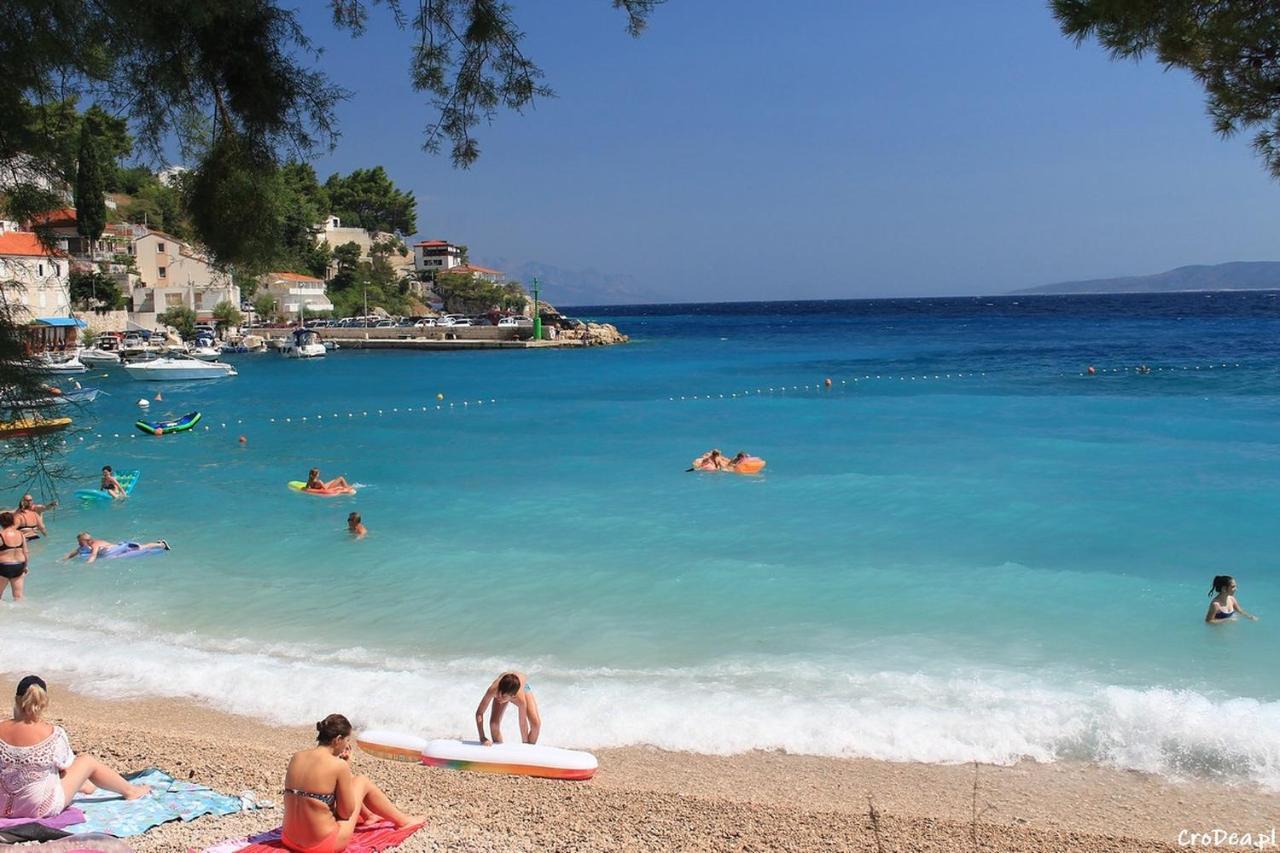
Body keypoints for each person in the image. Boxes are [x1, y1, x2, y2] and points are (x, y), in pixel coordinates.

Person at [0, 675, 150, 819]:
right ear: (44, 703)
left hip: (2, 807)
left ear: (16, 701)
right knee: (86, 761)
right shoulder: (53, 734)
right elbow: (65, 766)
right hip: (39, 808)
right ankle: (131, 791)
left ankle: (84, 786)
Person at [281, 714, 422, 853]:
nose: (347, 745)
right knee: (362, 781)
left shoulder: (297, 757)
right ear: (338, 739)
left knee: (342, 788)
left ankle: (370, 816)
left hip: (288, 839)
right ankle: (403, 821)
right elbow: (345, 813)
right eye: (347, 740)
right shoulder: (338, 765)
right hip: (322, 845)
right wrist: (346, 769)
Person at [474, 671, 541, 746]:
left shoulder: (520, 699)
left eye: (503, 696)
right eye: (498, 694)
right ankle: (499, 749)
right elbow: (479, 713)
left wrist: (525, 745)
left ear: (513, 696)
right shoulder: (494, 690)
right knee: (494, 725)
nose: (499, 697)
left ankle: (529, 750)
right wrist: (482, 737)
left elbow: (522, 724)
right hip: (505, 684)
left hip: (523, 687)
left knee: (536, 724)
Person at [63, 532, 169, 564]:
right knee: (142, 547)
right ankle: (159, 544)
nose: (78, 543)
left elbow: (93, 555)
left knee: (142, 547)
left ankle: (161, 544)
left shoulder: (95, 544)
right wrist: (62, 561)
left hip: (121, 548)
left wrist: (87, 565)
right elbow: (73, 553)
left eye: (80, 541)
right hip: (115, 552)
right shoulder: (85, 546)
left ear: (86, 541)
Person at [0, 512, 29, 601]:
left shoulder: (1, 535)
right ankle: (19, 614)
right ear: (12, 521)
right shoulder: (20, 534)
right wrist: (25, 566)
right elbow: (26, 552)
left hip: (4, 566)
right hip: (19, 566)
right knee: (18, 597)